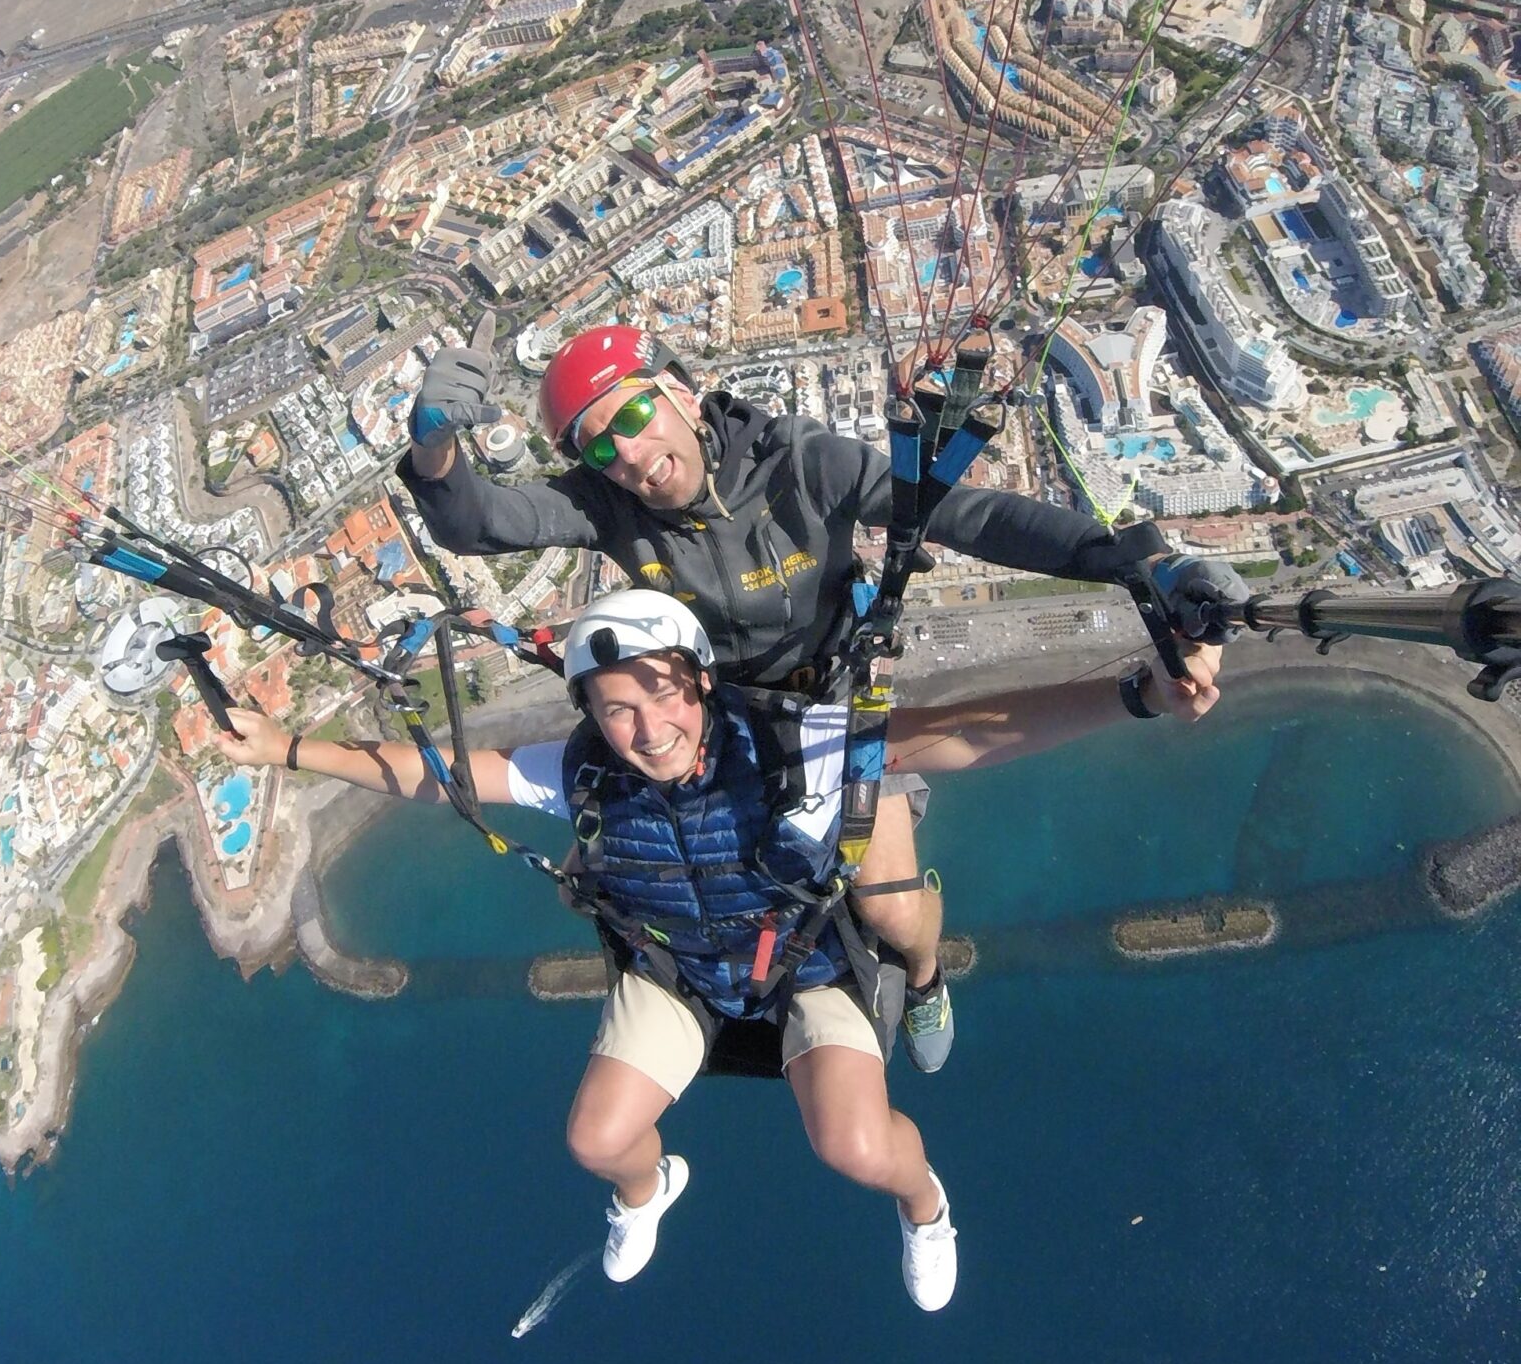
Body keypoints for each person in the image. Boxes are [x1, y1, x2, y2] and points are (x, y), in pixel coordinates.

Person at [211, 589, 1223, 1310]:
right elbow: (438, 774)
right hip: (679, 970)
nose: (648, 728)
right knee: (596, 1140)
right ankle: (651, 1190)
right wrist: (287, 752)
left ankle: (927, 1204)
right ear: (591, 717)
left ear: (700, 683)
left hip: (804, 966)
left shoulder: (788, 747)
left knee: (856, 1145)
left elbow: (962, 733)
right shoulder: (584, 776)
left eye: (664, 697)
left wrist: (1133, 695)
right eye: (618, 709)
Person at [399, 322, 1246, 1079]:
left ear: (681, 393)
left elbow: (968, 517)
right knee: (596, 873)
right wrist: (434, 449)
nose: (626, 454)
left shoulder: (800, 462)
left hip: (833, 706)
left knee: (890, 907)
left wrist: (1141, 564)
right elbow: (481, 523)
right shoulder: (607, 506)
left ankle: (922, 975)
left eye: (631, 416)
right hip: (718, 722)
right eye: (595, 446)